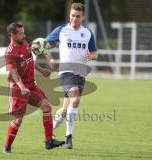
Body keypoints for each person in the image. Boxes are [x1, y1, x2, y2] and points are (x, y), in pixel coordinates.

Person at [3, 22, 65, 153]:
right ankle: (7, 147)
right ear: (13, 35)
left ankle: (49, 141)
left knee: (47, 107)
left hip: (31, 85)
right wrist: (21, 87)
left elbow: (31, 61)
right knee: (19, 119)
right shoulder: (10, 52)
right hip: (17, 89)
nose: (24, 35)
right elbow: (13, 72)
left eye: (23, 32)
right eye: (20, 33)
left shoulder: (25, 44)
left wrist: (42, 71)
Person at [45, 3, 98, 149]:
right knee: (75, 98)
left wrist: (91, 56)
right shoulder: (61, 30)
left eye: (78, 16)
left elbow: (95, 53)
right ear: (69, 15)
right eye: (72, 15)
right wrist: (50, 59)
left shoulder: (87, 33)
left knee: (66, 107)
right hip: (66, 71)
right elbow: (43, 44)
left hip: (80, 72)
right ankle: (68, 137)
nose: (74, 19)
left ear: (83, 17)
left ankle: (49, 134)